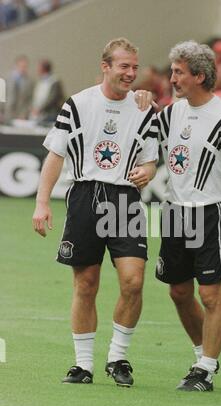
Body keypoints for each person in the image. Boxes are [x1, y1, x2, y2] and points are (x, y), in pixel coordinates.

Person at [32, 38, 158, 387]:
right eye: (124, 66)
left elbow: (150, 158)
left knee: (133, 280)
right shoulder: (78, 104)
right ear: (106, 66)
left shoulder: (145, 108)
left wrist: (150, 171)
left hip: (125, 199)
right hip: (85, 195)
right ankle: (82, 365)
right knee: (86, 283)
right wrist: (42, 202)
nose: (131, 73)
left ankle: (118, 358)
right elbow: (55, 155)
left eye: (135, 66)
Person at [156, 40, 221, 392]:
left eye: (178, 73)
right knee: (178, 292)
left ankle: (205, 368)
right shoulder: (172, 112)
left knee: (211, 295)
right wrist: (140, 102)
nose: (172, 79)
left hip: (211, 213)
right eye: (173, 72)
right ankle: (204, 355)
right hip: (174, 210)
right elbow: (145, 138)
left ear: (199, 76)